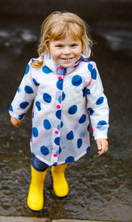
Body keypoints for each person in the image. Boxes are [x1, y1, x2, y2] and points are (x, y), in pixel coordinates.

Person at [9, 11, 109, 211]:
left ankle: (58, 173)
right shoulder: (37, 67)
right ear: (48, 45)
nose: (67, 52)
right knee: (41, 159)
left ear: (83, 44)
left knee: (65, 154)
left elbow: (97, 102)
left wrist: (100, 132)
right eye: (59, 45)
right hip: (44, 130)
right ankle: (36, 184)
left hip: (73, 128)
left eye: (73, 45)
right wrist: (17, 113)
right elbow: (25, 92)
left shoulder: (87, 70)